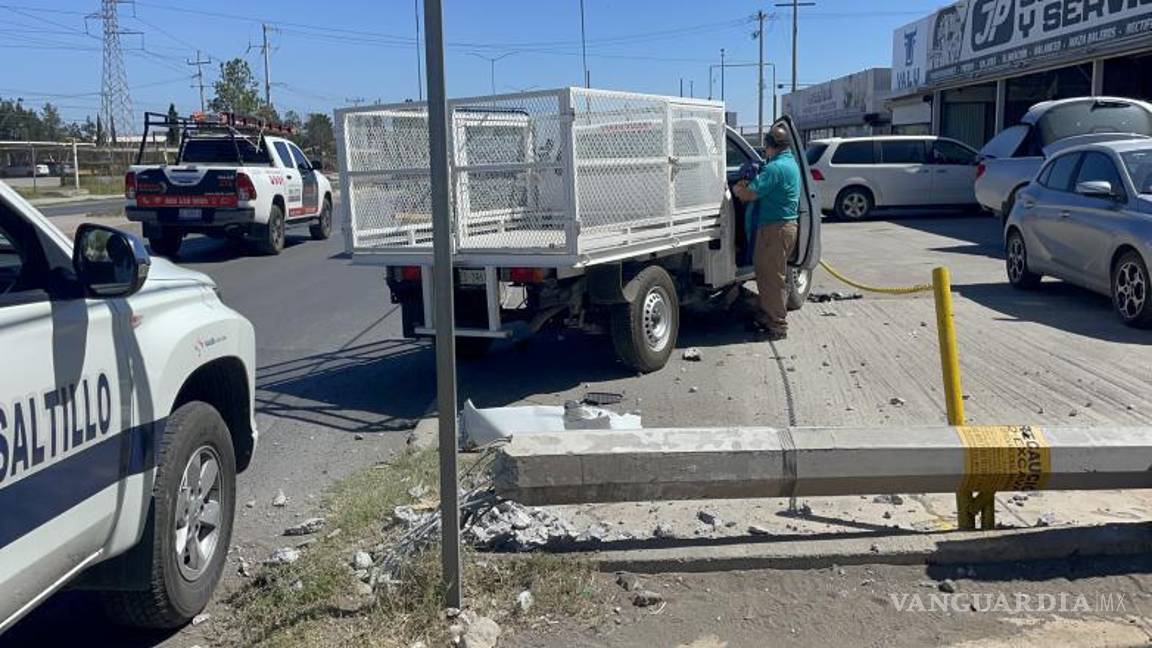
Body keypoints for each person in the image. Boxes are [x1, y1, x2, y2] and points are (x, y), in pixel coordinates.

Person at [733, 125, 800, 341]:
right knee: (774, 275)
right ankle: (770, 314)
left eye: (766, 148)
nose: (765, 152)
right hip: (786, 227)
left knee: (771, 278)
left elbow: (748, 195)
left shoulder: (775, 169)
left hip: (774, 230)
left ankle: (777, 326)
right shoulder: (790, 164)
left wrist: (738, 187)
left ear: (772, 147)